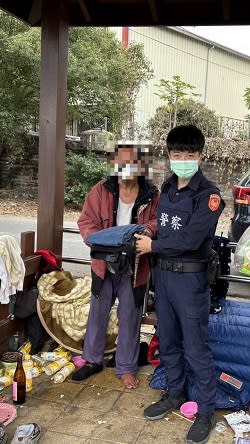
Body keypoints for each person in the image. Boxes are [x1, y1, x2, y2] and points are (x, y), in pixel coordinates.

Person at [135, 124, 225, 444]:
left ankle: (205, 412)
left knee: (196, 348)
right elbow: (163, 224)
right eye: (177, 154)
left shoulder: (209, 195)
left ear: (200, 155)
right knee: (169, 341)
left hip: (190, 281)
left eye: (190, 154)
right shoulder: (168, 187)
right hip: (165, 278)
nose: (183, 159)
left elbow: (192, 238)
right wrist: (149, 233)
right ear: (169, 155)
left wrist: (152, 247)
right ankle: (174, 393)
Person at [72, 142, 159, 389]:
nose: (126, 168)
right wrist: (98, 239)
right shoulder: (101, 190)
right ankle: (92, 360)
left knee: (130, 315)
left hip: (135, 264)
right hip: (103, 262)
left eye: (133, 162)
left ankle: (126, 368)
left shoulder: (152, 194)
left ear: (142, 166)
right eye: (121, 162)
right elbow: (86, 221)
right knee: (98, 312)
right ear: (113, 164)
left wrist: (147, 230)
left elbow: (156, 221)